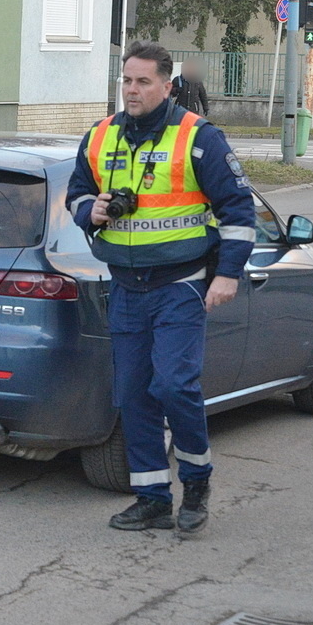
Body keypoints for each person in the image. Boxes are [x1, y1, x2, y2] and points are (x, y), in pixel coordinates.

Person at [66, 40, 256, 535]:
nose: (131, 90)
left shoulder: (199, 138)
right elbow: (76, 194)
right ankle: (151, 497)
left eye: (142, 81)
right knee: (133, 396)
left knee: (174, 385)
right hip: (126, 287)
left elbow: (239, 211)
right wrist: (93, 210)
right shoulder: (101, 135)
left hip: (181, 286)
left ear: (166, 86)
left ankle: (196, 485)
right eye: (126, 80)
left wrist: (228, 274)